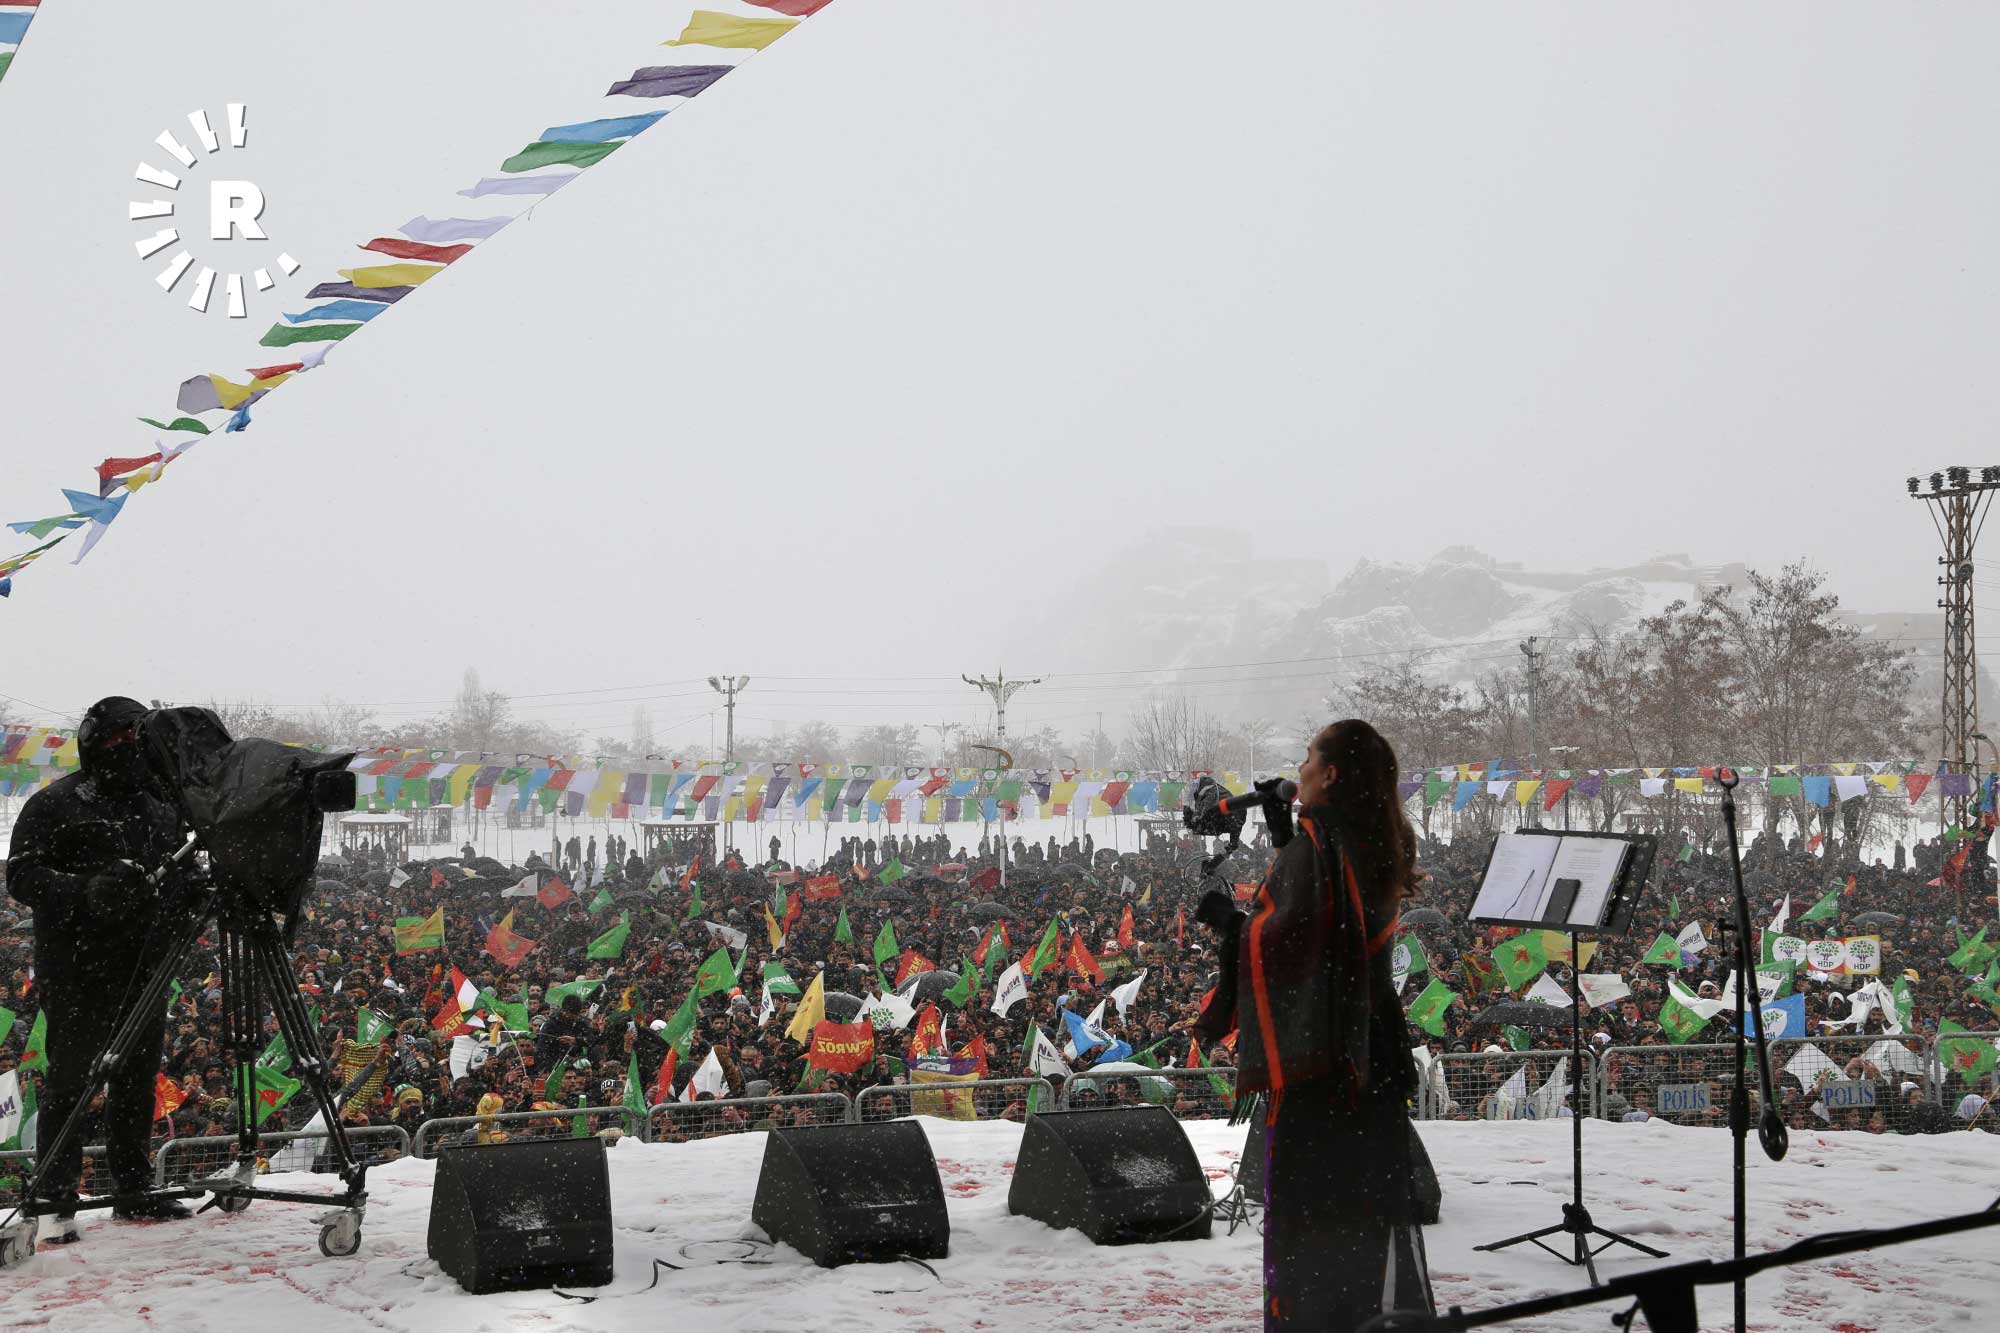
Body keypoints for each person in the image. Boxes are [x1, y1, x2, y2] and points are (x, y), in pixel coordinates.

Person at [1194, 718, 1434, 1330]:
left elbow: (1291, 947)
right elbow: (1332, 929)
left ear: (1329, 774)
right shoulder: (1371, 837)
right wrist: (1286, 835)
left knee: (1312, 1219)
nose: (1297, 769)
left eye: (1308, 758)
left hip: (1325, 1062)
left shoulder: (1320, 844)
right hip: (1368, 1051)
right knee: (1356, 1218)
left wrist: (1228, 921)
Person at [5, 697, 195, 1232]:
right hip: (78, 967)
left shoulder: (159, 805)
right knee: (72, 1082)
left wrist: (187, 893)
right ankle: (54, 1196)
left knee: (137, 1082)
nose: (127, 748)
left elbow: (176, 872)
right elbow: (21, 876)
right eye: (117, 738)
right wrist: (84, 889)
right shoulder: (54, 803)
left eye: (135, 738)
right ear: (92, 740)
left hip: (145, 967)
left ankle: (133, 1187)